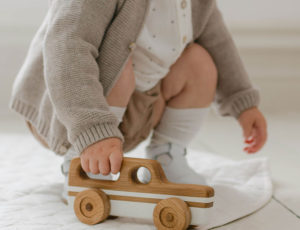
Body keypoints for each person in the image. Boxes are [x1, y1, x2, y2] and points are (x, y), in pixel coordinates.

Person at [9, 0, 267, 202]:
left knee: (200, 61)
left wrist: (242, 101)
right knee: (119, 66)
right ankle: (82, 167)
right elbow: (66, 49)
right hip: (67, 111)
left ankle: (168, 155)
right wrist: (91, 129)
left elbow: (219, 43)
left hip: (138, 108)